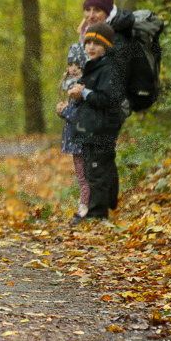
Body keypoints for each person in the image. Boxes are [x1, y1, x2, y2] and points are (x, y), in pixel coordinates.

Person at [67, 22, 124, 221]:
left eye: (96, 43)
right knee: (97, 169)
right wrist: (78, 95)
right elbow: (91, 96)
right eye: (88, 42)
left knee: (97, 172)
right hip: (91, 129)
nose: (90, 47)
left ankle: (98, 214)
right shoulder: (93, 66)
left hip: (102, 129)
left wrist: (85, 93)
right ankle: (106, 205)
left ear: (107, 46)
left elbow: (106, 99)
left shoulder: (109, 69)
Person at [56, 41, 89, 224]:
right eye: (71, 64)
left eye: (78, 65)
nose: (74, 68)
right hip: (76, 139)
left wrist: (64, 111)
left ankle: (84, 209)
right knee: (81, 175)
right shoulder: (70, 87)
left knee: (84, 176)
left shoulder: (82, 88)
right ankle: (85, 206)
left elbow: (80, 115)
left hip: (82, 138)